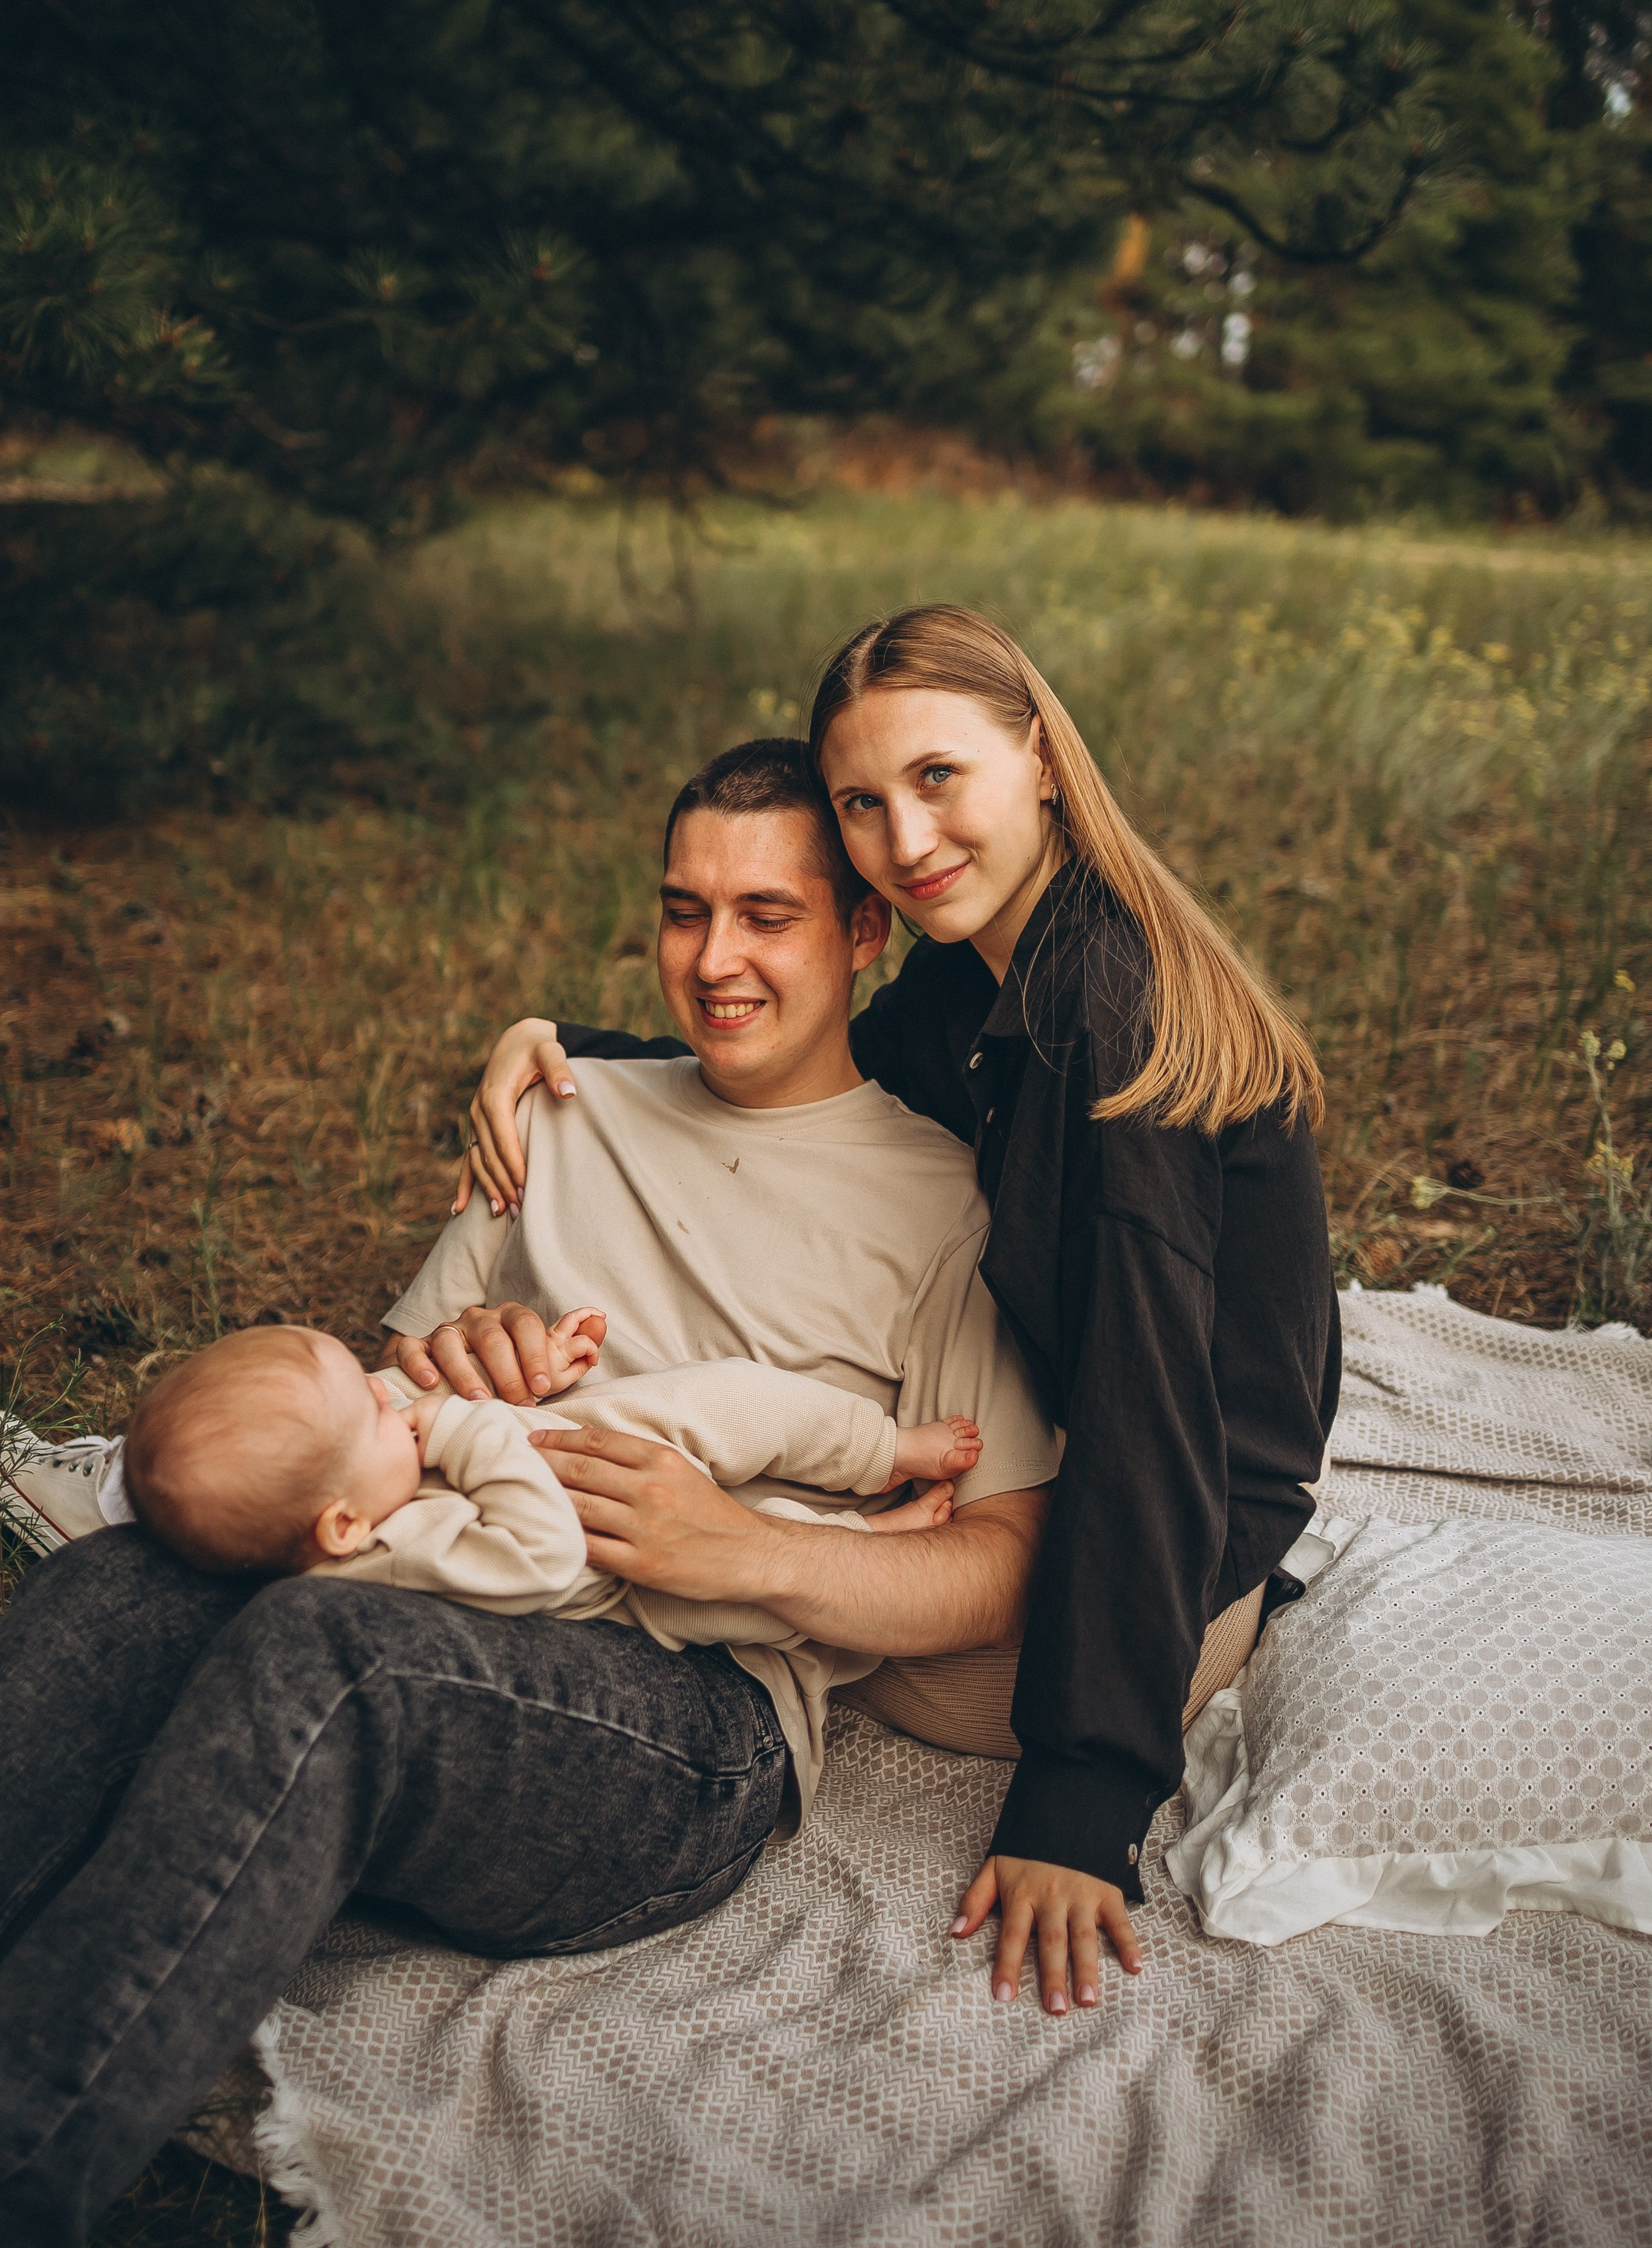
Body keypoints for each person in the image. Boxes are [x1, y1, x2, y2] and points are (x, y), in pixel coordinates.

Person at [0, 735, 1055, 2248]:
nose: (713, 959)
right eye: (682, 910)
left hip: (686, 1717)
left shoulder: (944, 1198)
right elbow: (385, 1387)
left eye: (768, 916)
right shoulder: (568, 1109)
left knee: (320, 1664)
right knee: (116, 1585)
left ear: (864, 932)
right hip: (440, 1549)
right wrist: (461, 1354)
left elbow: (1000, 1560)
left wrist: (744, 1549)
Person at [457, 605, 1340, 2019]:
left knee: (662, 1523)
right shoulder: (973, 974)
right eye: (862, 805)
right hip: (1040, 1460)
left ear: (1040, 757)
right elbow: (814, 1085)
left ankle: (371, 1520)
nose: (904, 841)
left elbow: (1151, 1426)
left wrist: (1078, 1801)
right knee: (710, 1367)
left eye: (939, 780)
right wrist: (574, 1055)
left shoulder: (1107, 1028)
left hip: (1145, 1590)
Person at [110, 1320, 984, 1610]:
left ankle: (879, 1452)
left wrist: (524, 1386)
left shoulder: (342, 1475)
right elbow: (545, 1551)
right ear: (342, 1529)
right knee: (759, 1588)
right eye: (373, 1410)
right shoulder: (402, 1557)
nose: (390, 1397)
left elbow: (373, 1400)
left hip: (569, 1445)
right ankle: (875, 1529)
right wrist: (461, 1427)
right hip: (621, 1572)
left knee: (730, 1397)